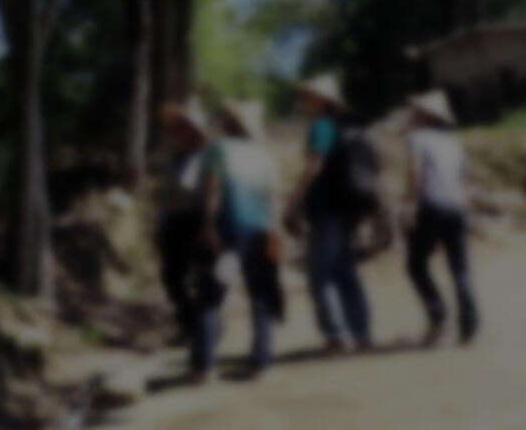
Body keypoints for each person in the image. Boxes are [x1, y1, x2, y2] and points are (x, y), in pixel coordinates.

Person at [191, 100, 284, 381]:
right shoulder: (264, 154)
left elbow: (210, 189)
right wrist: (276, 231)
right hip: (262, 233)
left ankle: (205, 366)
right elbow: (274, 197)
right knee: (260, 296)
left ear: (230, 123)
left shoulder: (218, 148)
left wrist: (207, 224)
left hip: (230, 234)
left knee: (211, 296)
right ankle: (261, 362)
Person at [284, 73, 374, 354]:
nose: (303, 102)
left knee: (321, 274)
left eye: (307, 97)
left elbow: (314, 165)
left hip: (327, 208)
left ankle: (337, 335)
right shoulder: (351, 126)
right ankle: (360, 333)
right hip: (351, 207)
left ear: (322, 100)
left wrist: (293, 202)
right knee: (346, 271)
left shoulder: (321, 126)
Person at [402, 90, 479, 346]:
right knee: (460, 269)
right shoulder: (453, 142)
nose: (411, 114)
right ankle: (469, 326)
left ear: (425, 115)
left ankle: (438, 315)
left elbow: (415, 172)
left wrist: (410, 206)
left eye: (415, 111)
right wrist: (466, 209)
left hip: (430, 205)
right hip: (456, 206)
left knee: (416, 265)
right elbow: (464, 180)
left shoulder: (415, 138)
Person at [155, 97, 212, 346]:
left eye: (185, 126)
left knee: (201, 277)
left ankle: (203, 328)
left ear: (195, 130)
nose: (179, 132)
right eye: (177, 126)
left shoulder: (207, 158)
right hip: (174, 223)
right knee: (171, 277)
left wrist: (210, 225)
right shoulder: (172, 160)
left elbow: (211, 194)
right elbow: (164, 198)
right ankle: (190, 323)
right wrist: (159, 226)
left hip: (197, 220)